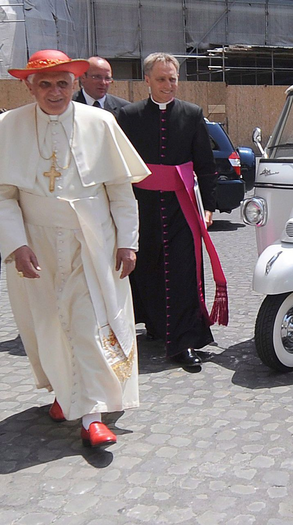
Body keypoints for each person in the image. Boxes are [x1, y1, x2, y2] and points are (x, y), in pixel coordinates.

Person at [0, 49, 150, 448]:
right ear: (28, 85)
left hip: (92, 242)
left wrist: (127, 242)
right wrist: (17, 245)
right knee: (47, 324)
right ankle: (64, 394)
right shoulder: (8, 126)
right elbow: (3, 195)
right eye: (45, 84)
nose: (55, 92)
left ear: (75, 83)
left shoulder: (100, 122)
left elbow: (121, 191)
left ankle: (92, 415)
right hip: (38, 243)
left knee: (88, 324)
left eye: (62, 84)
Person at [117, 52, 227, 372]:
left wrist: (208, 206)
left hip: (182, 206)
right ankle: (155, 325)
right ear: (147, 80)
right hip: (142, 206)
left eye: (173, 78)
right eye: (162, 79)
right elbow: (119, 167)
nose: (169, 85)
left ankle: (184, 341)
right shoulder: (129, 115)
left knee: (183, 272)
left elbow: (206, 166)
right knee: (146, 269)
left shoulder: (192, 114)